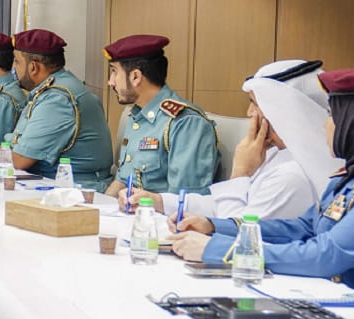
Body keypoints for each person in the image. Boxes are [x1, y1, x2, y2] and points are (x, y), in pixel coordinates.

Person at [172, 68, 354, 295]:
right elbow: (302, 227)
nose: (323, 125)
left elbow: (326, 255)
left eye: (332, 116)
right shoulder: (352, 176)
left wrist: (222, 250)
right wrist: (213, 226)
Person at [120, 59, 334, 221]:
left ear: (282, 111)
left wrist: (240, 174)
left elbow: (236, 229)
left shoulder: (293, 175)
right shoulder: (276, 154)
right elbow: (219, 205)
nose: (250, 113)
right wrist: (158, 201)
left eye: (255, 104)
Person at [0, 29, 113, 190]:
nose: (13, 68)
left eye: (17, 62)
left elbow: (20, 160)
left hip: (74, 189)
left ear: (33, 67)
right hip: (51, 183)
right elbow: (16, 147)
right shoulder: (50, 90)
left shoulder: (57, 99)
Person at [102, 34, 218, 197]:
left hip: (156, 213)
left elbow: (185, 199)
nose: (111, 82)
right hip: (128, 210)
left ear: (135, 77)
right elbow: (123, 180)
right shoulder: (137, 114)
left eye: (114, 71)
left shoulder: (185, 123)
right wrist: (99, 206)